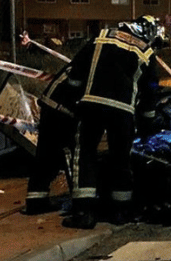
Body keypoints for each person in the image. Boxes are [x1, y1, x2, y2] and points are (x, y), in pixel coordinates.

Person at [63, 15, 164, 229]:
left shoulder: (101, 37)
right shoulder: (146, 51)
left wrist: (73, 96)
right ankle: (121, 212)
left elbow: (76, 70)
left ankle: (84, 213)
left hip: (92, 105)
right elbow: (150, 91)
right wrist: (148, 122)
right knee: (121, 158)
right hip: (123, 112)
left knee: (85, 154)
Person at [23, 64, 83, 215]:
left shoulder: (92, 51)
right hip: (63, 110)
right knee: (72, 155)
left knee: (46, 154)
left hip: (51, 104)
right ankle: (81, 203)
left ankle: (35, 201)